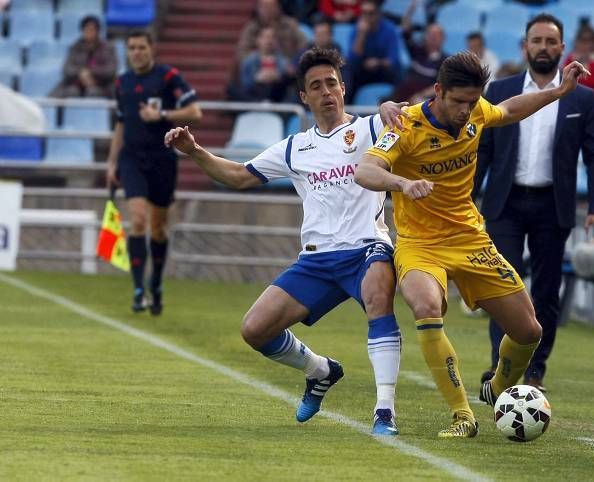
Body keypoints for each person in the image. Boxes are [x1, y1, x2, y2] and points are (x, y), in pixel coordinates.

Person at [165, 48, 405, 435]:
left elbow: (419, 116)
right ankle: (320, 370)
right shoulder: (295, 147)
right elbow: (240, 176)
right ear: (304, 98)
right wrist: (194, 151)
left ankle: (384, 411)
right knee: (255, 330)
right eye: (316, 86)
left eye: (332, 83)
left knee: (379, 297)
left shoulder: (372, 128)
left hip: (366, 249)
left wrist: (393, 106)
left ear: (343, 89)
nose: (326, 91)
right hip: (316, 261)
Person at [355, 51, 589, 438]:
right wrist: (402, 184)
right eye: (458, 101)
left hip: (469, 237)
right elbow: (366, 169)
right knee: (426, 305)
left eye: (472, 101)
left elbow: (509, 110)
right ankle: (462, 415)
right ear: (437, 91)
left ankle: (497, 387)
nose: (466, 110)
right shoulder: (405, 125)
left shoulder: (477, 111)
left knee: (530, 331)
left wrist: (559, 91)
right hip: (420, 244)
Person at [475, 14, 594, 393]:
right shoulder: (499, 90)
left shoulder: (582, 96)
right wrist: (466, 200)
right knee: (502, 288)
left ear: (563, 48)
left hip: (553, 205)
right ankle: (501, 367)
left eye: (552, 41)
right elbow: (482, 150)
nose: (544, 48)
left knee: (547, 292)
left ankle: (535, 370)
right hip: (505, 203)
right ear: (525, 46)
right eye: (537, 40)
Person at [106, 31, 203, 315]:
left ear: (152, 49)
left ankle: (156, 284)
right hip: (131, 159)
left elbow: (195, 113)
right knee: (136, 220)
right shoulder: (121, 82)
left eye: (141, 47)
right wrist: (111, 163)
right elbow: (121, 124)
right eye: (131, 48)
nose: (136, 52)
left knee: (158, 228)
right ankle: (138, 290)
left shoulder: (168, 76)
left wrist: (162, 116)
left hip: (162, 159)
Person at [346, 0, 402, 102]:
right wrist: (361, 35)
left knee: (397, 72)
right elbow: (353, 58)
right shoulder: (357, 30)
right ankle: (348, 109)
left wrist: (377, 62)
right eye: (364, 13)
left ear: (378, 14)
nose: (366, 17)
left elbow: (393, 60)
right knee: (349, 71)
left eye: (370, 13)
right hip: (363, 70)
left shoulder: (389, 29)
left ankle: (395, 105)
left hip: (382, 70)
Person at [391, 1, 446, 103]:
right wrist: (411, 9)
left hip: (424, 100)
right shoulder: (417, 51)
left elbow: (443, 85)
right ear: (425, 36)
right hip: (403, 95)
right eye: (430, 34)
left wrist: (421, 95)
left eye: (436, 35)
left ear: (443, 38)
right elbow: (405, 30)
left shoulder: (445, 61)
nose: (433, 37)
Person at [50, 15, 117, 98]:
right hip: (77, 84)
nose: (89, 32)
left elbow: (111, 70)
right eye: (86, 29)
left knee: (93, 92)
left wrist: (91, 73)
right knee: (71, 92)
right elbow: (66, 69)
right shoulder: (75, 47)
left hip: (102, 86)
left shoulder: (108, 48)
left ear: (98, 31)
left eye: (92, 29)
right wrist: (81, 73)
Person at [233, 26, 294, 102]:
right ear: (258, 40)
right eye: (265, 37)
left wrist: (279, 77)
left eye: (272, 37)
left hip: (277, 99)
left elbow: (289, 87)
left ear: (277, 41)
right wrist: (256, 79)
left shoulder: (284, 62)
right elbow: (244, 86)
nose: (269, 41)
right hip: (254, 98)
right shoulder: (248, 61)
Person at [565, 24, 594, 117]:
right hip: (573, 104)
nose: (586, 45)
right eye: (582, 41)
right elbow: (565, 82)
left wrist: (580, 79)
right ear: (577, 42)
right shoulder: (570, 59)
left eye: (590, 41)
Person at [236, 0, 306, 61]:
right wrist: (260, 57)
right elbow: (242, 52)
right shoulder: (251, 28)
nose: (268, 10)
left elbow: (303, 46)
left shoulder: (290, 25)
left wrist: (293, 62)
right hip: (257, 68)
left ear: (278, 7)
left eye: (271, 7)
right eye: (265, 7)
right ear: (258, 9)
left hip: (287, 67)